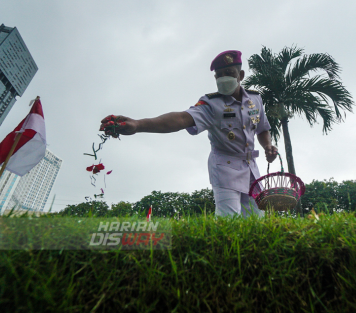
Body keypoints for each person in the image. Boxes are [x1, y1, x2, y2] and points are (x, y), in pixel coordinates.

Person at [100, 50, 278, 217]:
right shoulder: (211, 104)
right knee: (229, 219)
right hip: (225, 168)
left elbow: (262, 128)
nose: (224, 78)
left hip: (251, 169)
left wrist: (267, 146)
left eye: (229, 73)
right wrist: (138, 124)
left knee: (256, 219)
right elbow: (180, 119)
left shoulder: (255, 100)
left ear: (240, 76)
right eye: (219, 75)